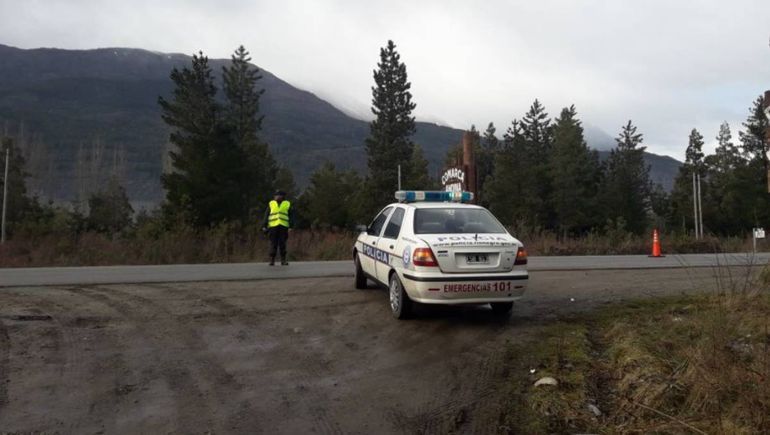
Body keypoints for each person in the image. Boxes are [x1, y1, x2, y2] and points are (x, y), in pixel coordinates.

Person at [261, 190, 295, 266]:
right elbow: (266, 215)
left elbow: (291, 216)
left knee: (282, 243)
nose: (277, 197)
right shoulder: (271, 204)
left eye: (279, 195)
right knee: (273, 243)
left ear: (283, 196)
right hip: (273, 227)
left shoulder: (287, 204)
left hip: (283, 226)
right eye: (276, 195)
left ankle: (283, 260)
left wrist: (291, 226)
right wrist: (264, 225)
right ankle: (272, 260)